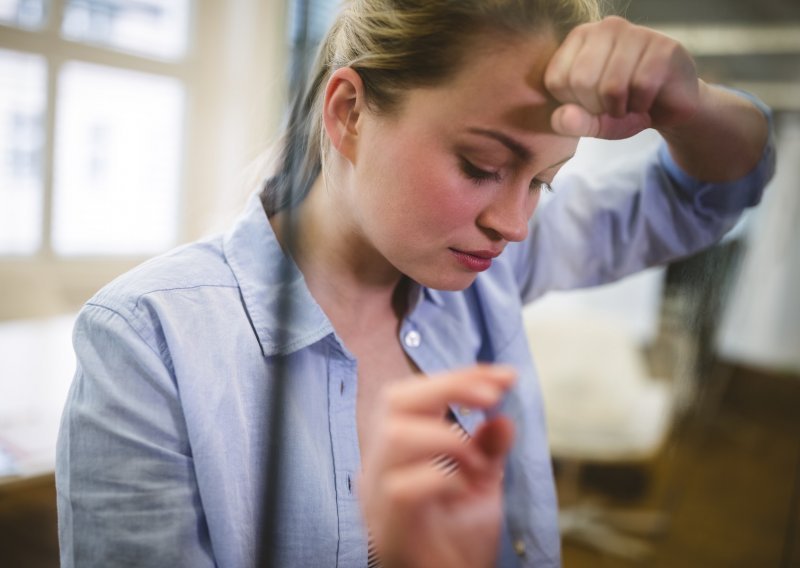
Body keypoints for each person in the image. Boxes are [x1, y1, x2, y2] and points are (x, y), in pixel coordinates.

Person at [55, 0, 775, 567]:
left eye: (543, 184)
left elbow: (705, 196)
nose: (514, 224)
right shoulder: (150, 343)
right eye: (481, 165)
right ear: (348, 112)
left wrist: (690, 105)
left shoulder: (484, 275)